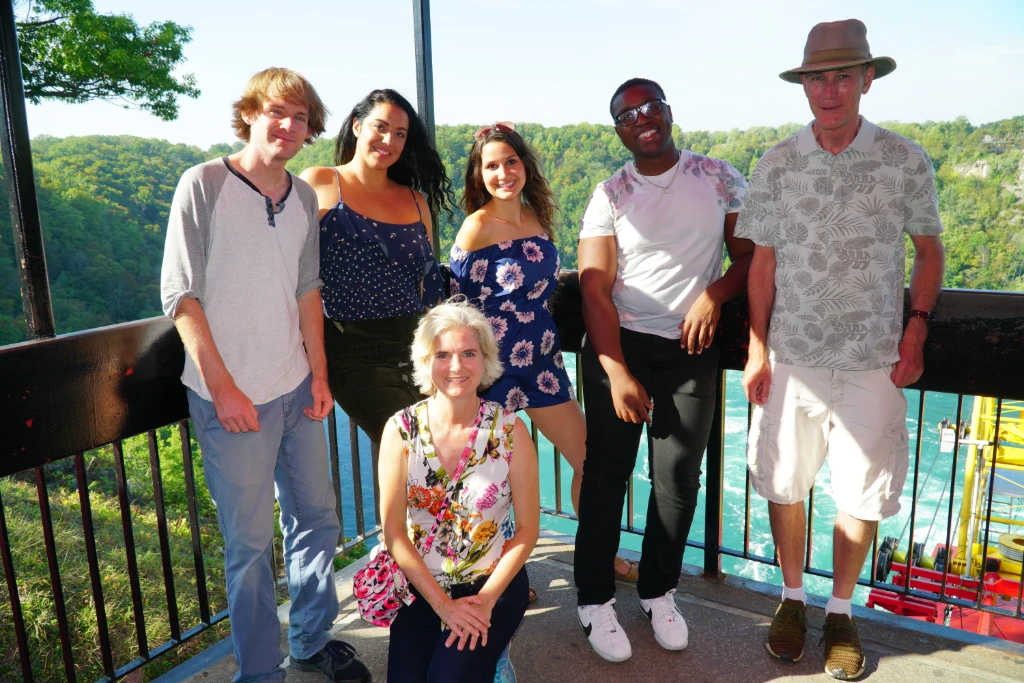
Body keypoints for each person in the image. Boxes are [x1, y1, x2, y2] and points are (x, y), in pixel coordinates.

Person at [737, 19, 945, 680]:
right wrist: (755, 347)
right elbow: (761, 266)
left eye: (841, 75)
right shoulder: (776, 162)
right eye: (816, 77)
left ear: (866, 80)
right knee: (783, 480)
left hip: (874, 357)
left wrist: (917, 325)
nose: (828, 89)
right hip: (792, 355)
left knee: (860, 494)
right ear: (804, 87)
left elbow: (930, 250)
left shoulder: (903, 159)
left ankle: (842, 609)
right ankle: (792, 599)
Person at [160, 68, 370, 683]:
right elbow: (180, 294)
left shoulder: (303, 196)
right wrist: (222, 387)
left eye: (301, 118)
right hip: (230, 398)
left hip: (296, 386)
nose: (289, 126)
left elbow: (309, 290)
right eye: (277, 112)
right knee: (249, 548)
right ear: (249, 112)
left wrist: (320, 375)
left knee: (319, 520)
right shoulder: (203, 184)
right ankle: (259, 671)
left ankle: (310, 641)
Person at [574, 78, 753, 663]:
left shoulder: (718, 176)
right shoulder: (611, 192)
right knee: (607, 472)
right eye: (627, 114)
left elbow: (751, 255)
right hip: (620, 343)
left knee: (678, 479)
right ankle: (594, 599)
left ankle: (657, 590)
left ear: (669, 111)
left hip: (689, 347)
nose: (642, 118)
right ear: (619, 129)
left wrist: (715, 295)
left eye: (651, 106)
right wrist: (616, 371)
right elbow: (594, 287)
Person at [449, 123, 637, 585]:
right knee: (491, 477)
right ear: (479, 174)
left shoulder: (535, 215)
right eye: (490, 165)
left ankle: (598, 552)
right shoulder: (476, 227)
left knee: (591, 461)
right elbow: (455, 302)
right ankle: (500, 576)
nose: (503, 173)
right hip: (494, 369)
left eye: (510, 161)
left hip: (543, 365)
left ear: (524, 165)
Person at [378, 299, 539, 682]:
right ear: (425, 361)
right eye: (443, 354)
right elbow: (394, 533)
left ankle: (494, 655)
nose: (456, 366)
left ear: (485, 360)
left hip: (491, 584)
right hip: (422, 584)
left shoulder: (509, 431)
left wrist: (484, 603)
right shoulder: (400, 430)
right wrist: (444, 607)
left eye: (469, 353)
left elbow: (528, 530)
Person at [300, 89, 452, 446]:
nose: (389, 140)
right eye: (380, 127)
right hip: (352, 350)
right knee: (415, 446)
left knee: (445, 447)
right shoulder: (320, 181)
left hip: (416, 346)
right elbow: (296, 275)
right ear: (356, 126)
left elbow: (430, 291)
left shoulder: (415, 200)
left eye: (400, 134)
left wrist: (445, 355)